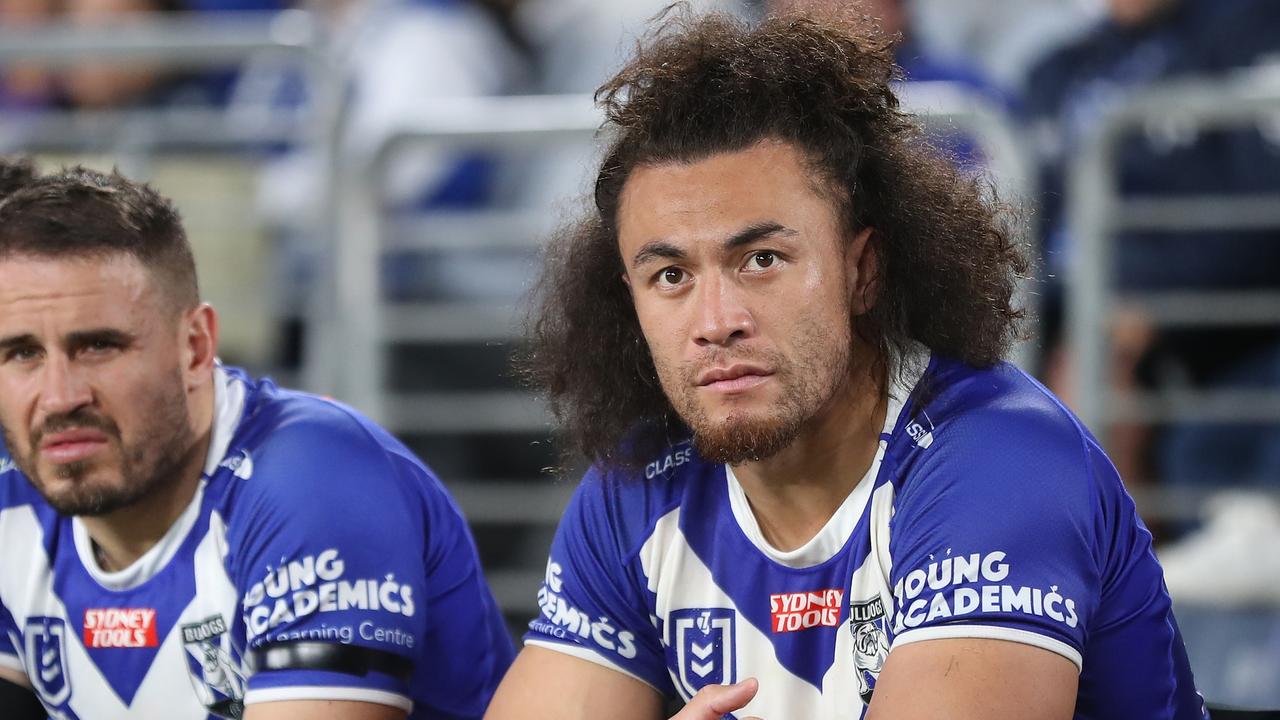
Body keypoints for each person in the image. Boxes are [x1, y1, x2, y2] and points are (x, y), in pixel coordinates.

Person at [484, 8, 1207, 720]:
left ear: (863, 269)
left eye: (761, 260)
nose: (714, 324)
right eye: (671, 276)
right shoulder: (637, 492)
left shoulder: (1000, 461)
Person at [0, 158, 515, 719]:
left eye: (98, 346)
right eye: (21, 353)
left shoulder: (311, 483)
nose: (58, 397)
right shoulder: (13, 497)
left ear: (195, 347)